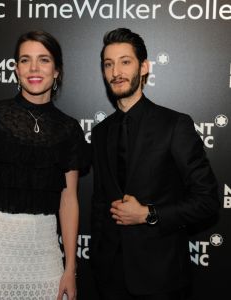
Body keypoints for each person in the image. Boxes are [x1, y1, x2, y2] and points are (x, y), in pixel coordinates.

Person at [0, 30, 88, 300]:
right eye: (25, 60)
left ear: (57, 70)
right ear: (15, 69)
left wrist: (70, 268)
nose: (34, 68)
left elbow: (69, 200)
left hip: (44, 252)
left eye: (44, 60)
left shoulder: (69, 129)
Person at [90, 28, 219, 300]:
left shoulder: (174, 125)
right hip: (109, 278)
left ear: (144, 67)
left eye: (125, 62)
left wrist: (148, 214)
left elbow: (207, 201)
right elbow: (100, 204)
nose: (116, 72)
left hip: (162, 279)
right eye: (108, 64)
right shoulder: (101, 131)